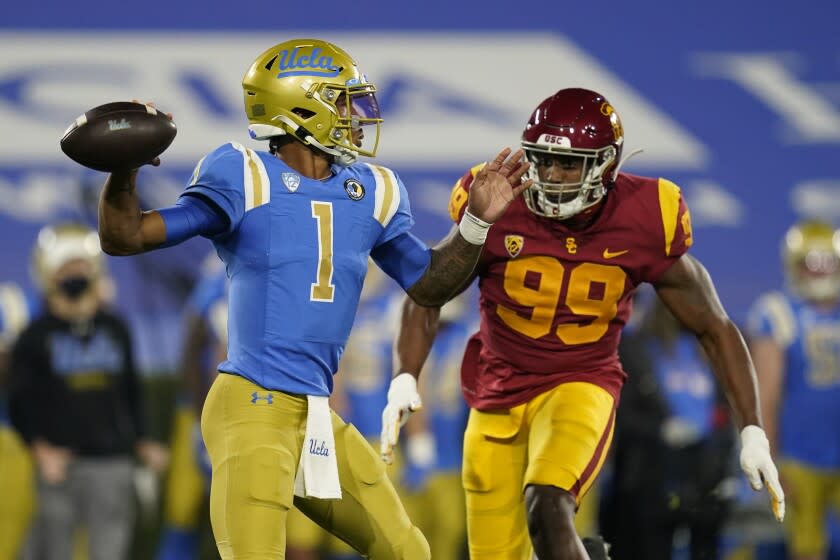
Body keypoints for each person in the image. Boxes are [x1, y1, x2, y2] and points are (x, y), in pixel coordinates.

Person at [94, 38, 531, 559]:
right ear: (301, 105)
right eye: (342, 101)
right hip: (252, 403)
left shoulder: (371, 189)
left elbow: (429, 285)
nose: (355, 115)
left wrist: (476, 224)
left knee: (409, 551)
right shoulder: (244, 174)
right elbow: (126, 236)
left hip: (317, 412)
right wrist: (124, 170)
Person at [382, 87, 785, 560]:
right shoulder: (496, 197)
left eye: (568, 164)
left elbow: (713, 326)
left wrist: (752, 429)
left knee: (547, 502)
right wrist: (407, 372)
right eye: (543, 160)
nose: (551, 175)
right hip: (495, 393)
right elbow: (429, 291)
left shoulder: (646, 215)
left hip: (580, 384)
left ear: (606, 165)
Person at [8, 223, 168, 560]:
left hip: (111, 462)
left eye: (81, 266)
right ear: (49, 274)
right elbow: (18, 401)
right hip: (60, 464)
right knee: (55, 552)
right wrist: (40, 450)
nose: (76, 273)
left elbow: (131, 390)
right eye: (67, 267)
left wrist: (144, 438)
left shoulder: (115, 327)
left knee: (109, 551)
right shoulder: (34, 336)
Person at [602, 294, 736, 559]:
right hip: (651, 480)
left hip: (704, 479)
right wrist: (661, 430)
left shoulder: (710, 352)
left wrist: (726, 464)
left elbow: (724, 413)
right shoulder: (634, 349)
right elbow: (622, 414)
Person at [747, 220, 840, 560]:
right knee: (807, 545)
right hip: (801, 454)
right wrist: (771, 460)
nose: (820, 271)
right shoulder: (779, 312)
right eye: (811, 263)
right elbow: (766, 394)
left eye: (826, 262)